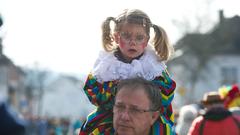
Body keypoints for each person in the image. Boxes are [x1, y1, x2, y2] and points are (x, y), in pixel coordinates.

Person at [80, 9, 176, 135]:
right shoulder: (106, 65)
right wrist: (114, 91)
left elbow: (167, 94)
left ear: (146, 40)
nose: (133, 42)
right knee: (93, 128)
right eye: (126, 35)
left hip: (146, 116)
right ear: (116, 37)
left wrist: (145, 92)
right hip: (112, 115)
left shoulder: (152, 66)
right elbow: (92, 91)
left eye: (139, 37)